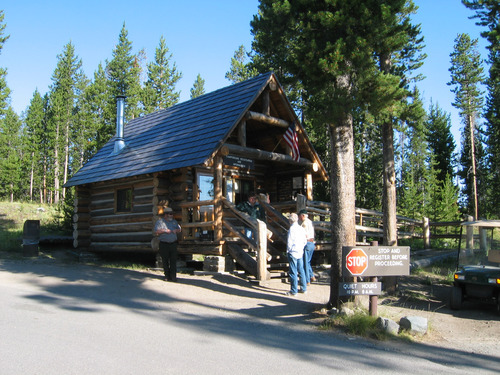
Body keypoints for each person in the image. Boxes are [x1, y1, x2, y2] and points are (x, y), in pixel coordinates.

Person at [154, 206, 181, 282]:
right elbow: (156, 231)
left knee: (173, 260)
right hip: (164, 244)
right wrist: (165, 231)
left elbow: (179, 229)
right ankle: (167, 276)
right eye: (170, 214)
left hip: (173, 244)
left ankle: (173, 276)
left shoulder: (174, 222)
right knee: (165, 260)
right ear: (165, 215)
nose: (172, 215)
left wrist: (177, 230)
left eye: (172, 214)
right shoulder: (160, 222)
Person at [286, 212, 307, 296]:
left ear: (290, 220)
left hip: (293, 252)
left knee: (293, 271)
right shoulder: (301, 228)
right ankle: (303, 288)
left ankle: (294, 290)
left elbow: (289, 241)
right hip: (300, 251)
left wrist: (289, 250)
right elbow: (305, 240)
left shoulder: (292, 229)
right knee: (301, 270)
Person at [299, 209, 316, 283]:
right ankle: (312, 276)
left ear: (303, 215)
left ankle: (307, 280)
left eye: (300, 216)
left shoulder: (305, 223)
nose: (299, 218)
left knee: (305, 262)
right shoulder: (310, 222)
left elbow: (304, 234)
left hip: (307, 243)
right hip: (311, 243)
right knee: (308, 261)